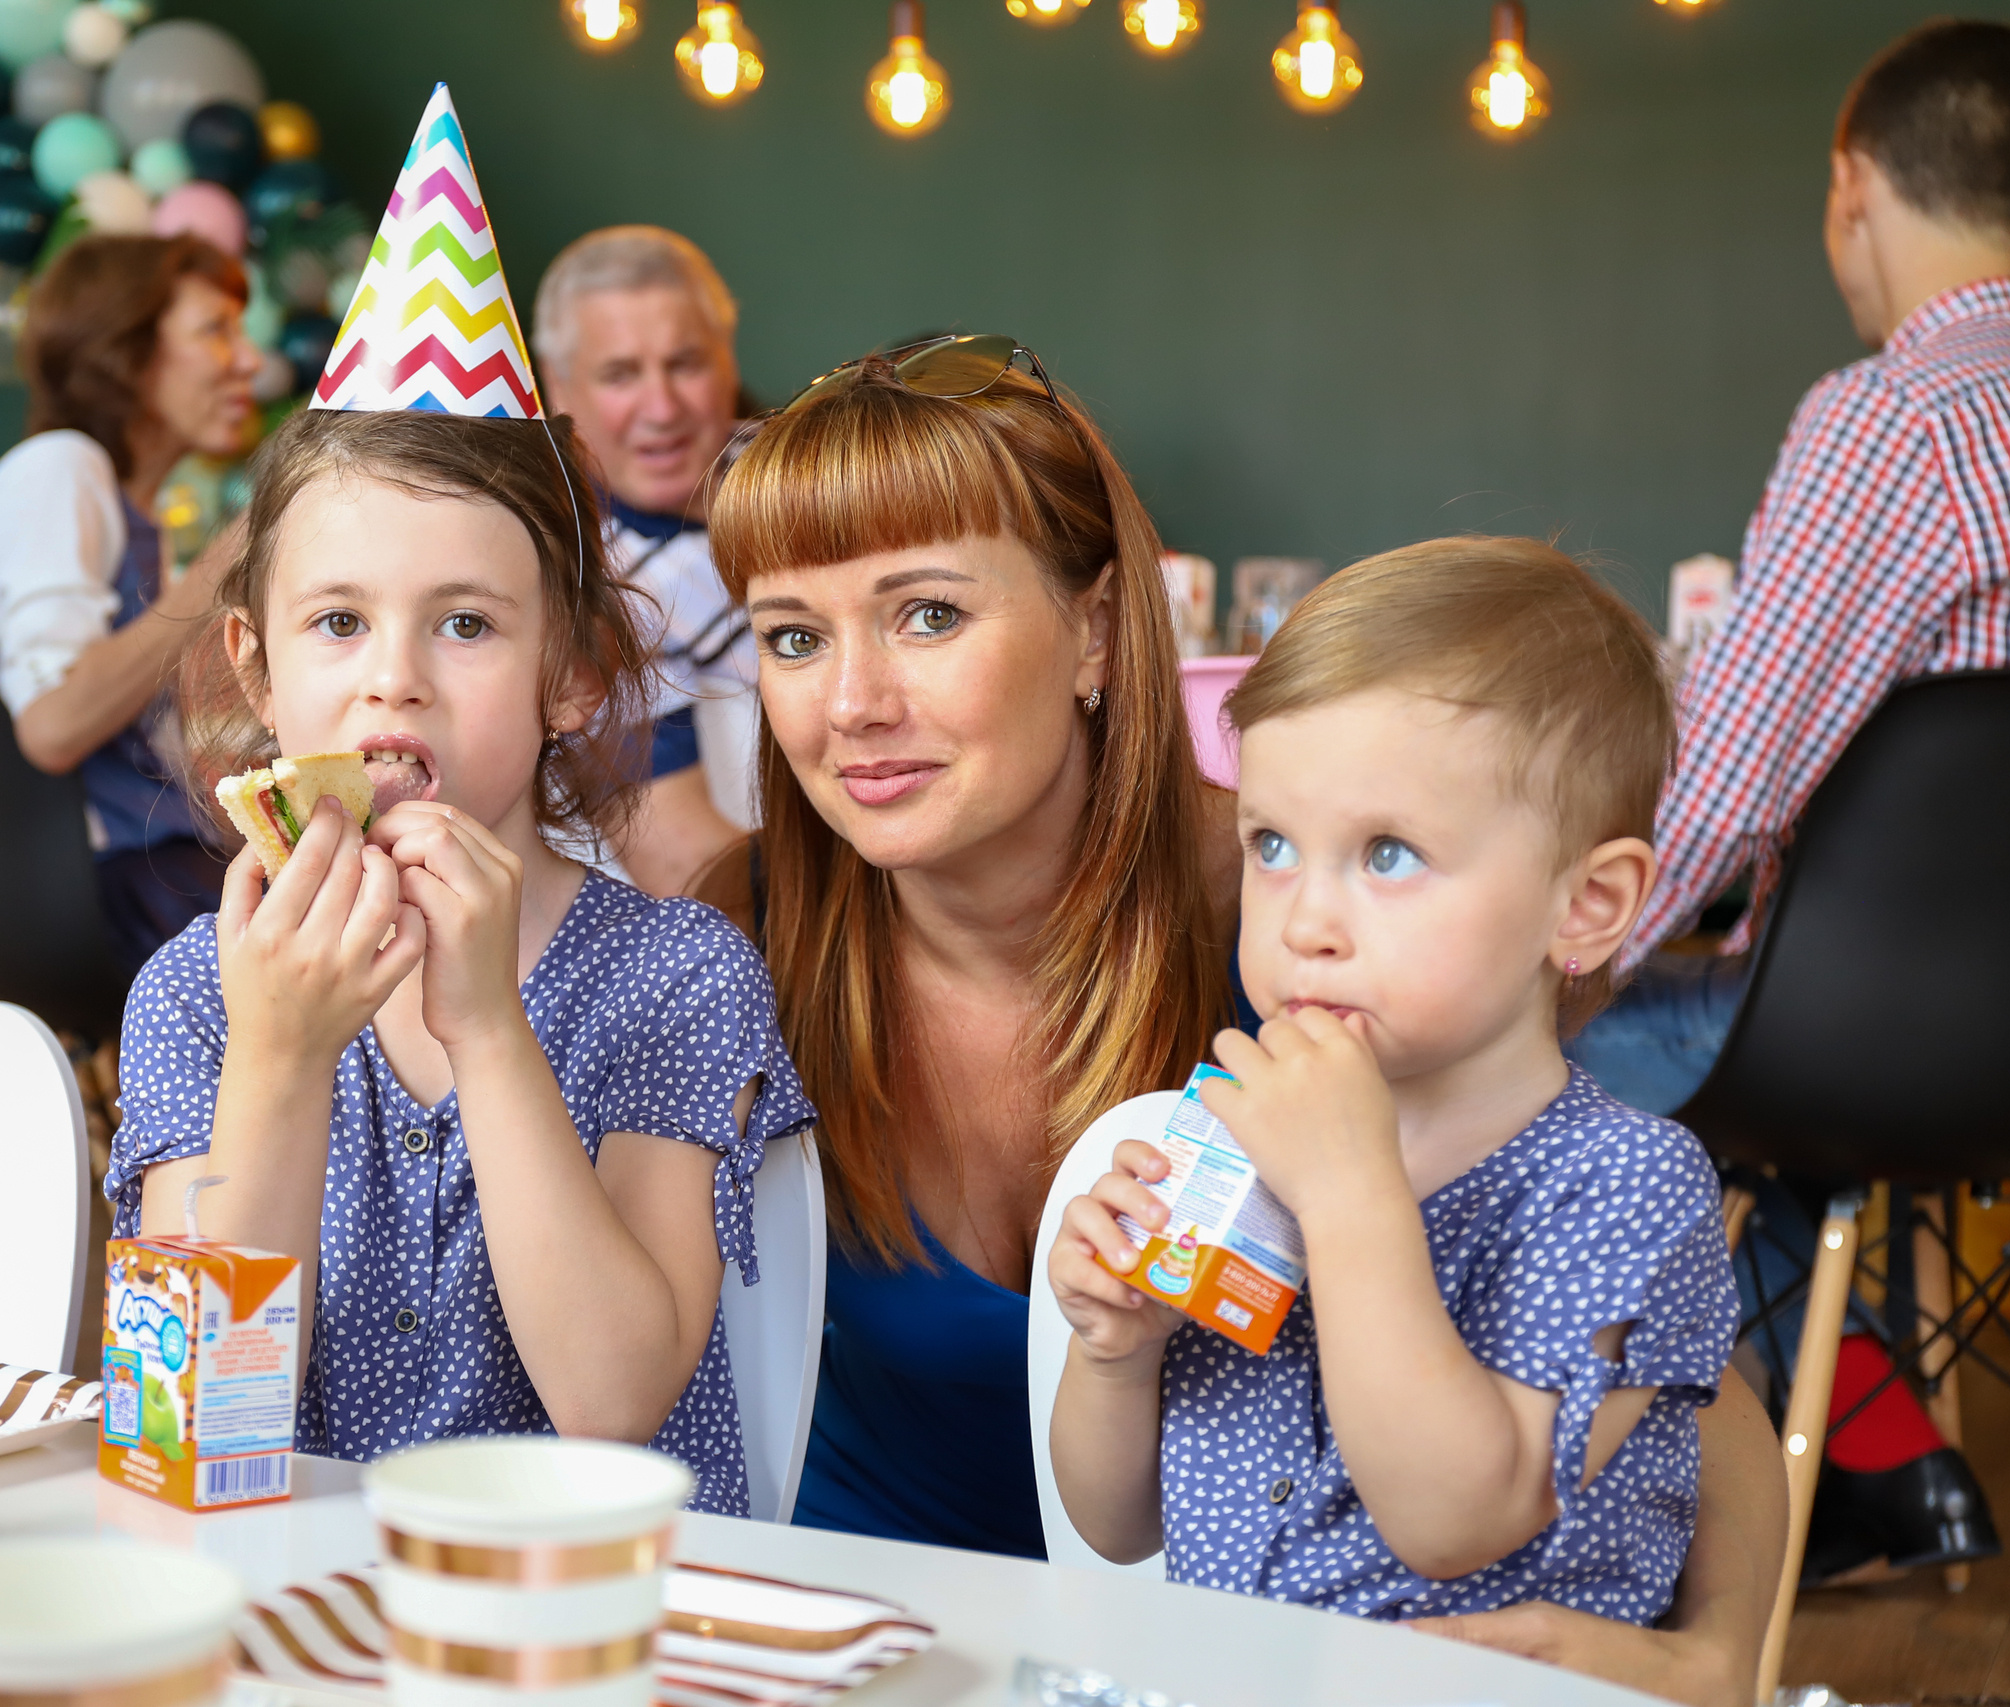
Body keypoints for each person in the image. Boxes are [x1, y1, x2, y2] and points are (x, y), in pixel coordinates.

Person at [698, 336, 1786, 1704]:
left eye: (926, 614)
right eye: (793, 635)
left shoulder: (1312, 935)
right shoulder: (730, 942)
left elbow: (1670, 1376)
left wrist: (1714, 1654)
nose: (850, 702)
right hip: (852, 1642)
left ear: (1096, 629)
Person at [105, 88, 812, 1514]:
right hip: (298, 1614)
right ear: (257, 660)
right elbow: (183, 1435)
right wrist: (284, 1058)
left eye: (469, 626)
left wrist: (488, 1024)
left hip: (605, 1625)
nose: (396, 683)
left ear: (572, 669)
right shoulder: (199, 994)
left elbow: (614, 1401)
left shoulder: (676, 977)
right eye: (339, 623)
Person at [1568, 18, 2010, 1583]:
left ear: (1851, 185)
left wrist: (1551, 954)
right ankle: (1891, 1457)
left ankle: (1541, 1521)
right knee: (1758, 1081)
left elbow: (1722, 781)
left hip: (1845, 1038)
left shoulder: (1885, 422)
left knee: (1518, 1030)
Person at [1048, 540, 1734, 1623]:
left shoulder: (1624, 1187)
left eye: (1387, 856)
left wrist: (1348, 1198)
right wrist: (1116, 1359)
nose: (1306, 922)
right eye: (1271, 845)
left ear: (1586, 907)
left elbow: (1458, 1520)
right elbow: (1115, 1527)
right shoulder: (1235, 1144)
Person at [0, 233, 261, 969]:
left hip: (111, 881)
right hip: (83, 896)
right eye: (216, 330)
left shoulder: (122, 506)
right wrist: (228, 556)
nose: (251, 360)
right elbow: (53, 725)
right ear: (124, 350)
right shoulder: (62, 469)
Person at [534, 226, 756, 895]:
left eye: (685, 363)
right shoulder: (575, 580)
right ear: (559, 390)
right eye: (621, 374)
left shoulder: (801, 485)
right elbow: (695, 874)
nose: (662, 409)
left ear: (728, 363)